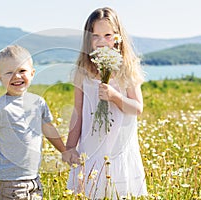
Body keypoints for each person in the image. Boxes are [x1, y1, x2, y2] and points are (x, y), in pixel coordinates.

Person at [63, 7, 148, 199]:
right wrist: (70, 147)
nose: (102, 41)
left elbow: (137, 108)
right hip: (91, 149)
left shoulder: (127, 68)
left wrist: (114, 96)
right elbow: (78, 112)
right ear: (88, 40)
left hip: (119, 148)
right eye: (95, 36)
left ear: (118, 37)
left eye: (108, 35)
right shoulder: (83, 71)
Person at [0, 45, 70, 199]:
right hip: (10, 182)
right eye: (9, 72)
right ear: (0, 77)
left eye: (22, 71)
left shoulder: (38, 103)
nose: (17, 76)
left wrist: (64, 151)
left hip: (34, 179)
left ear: (32, 73)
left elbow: (48, 128)